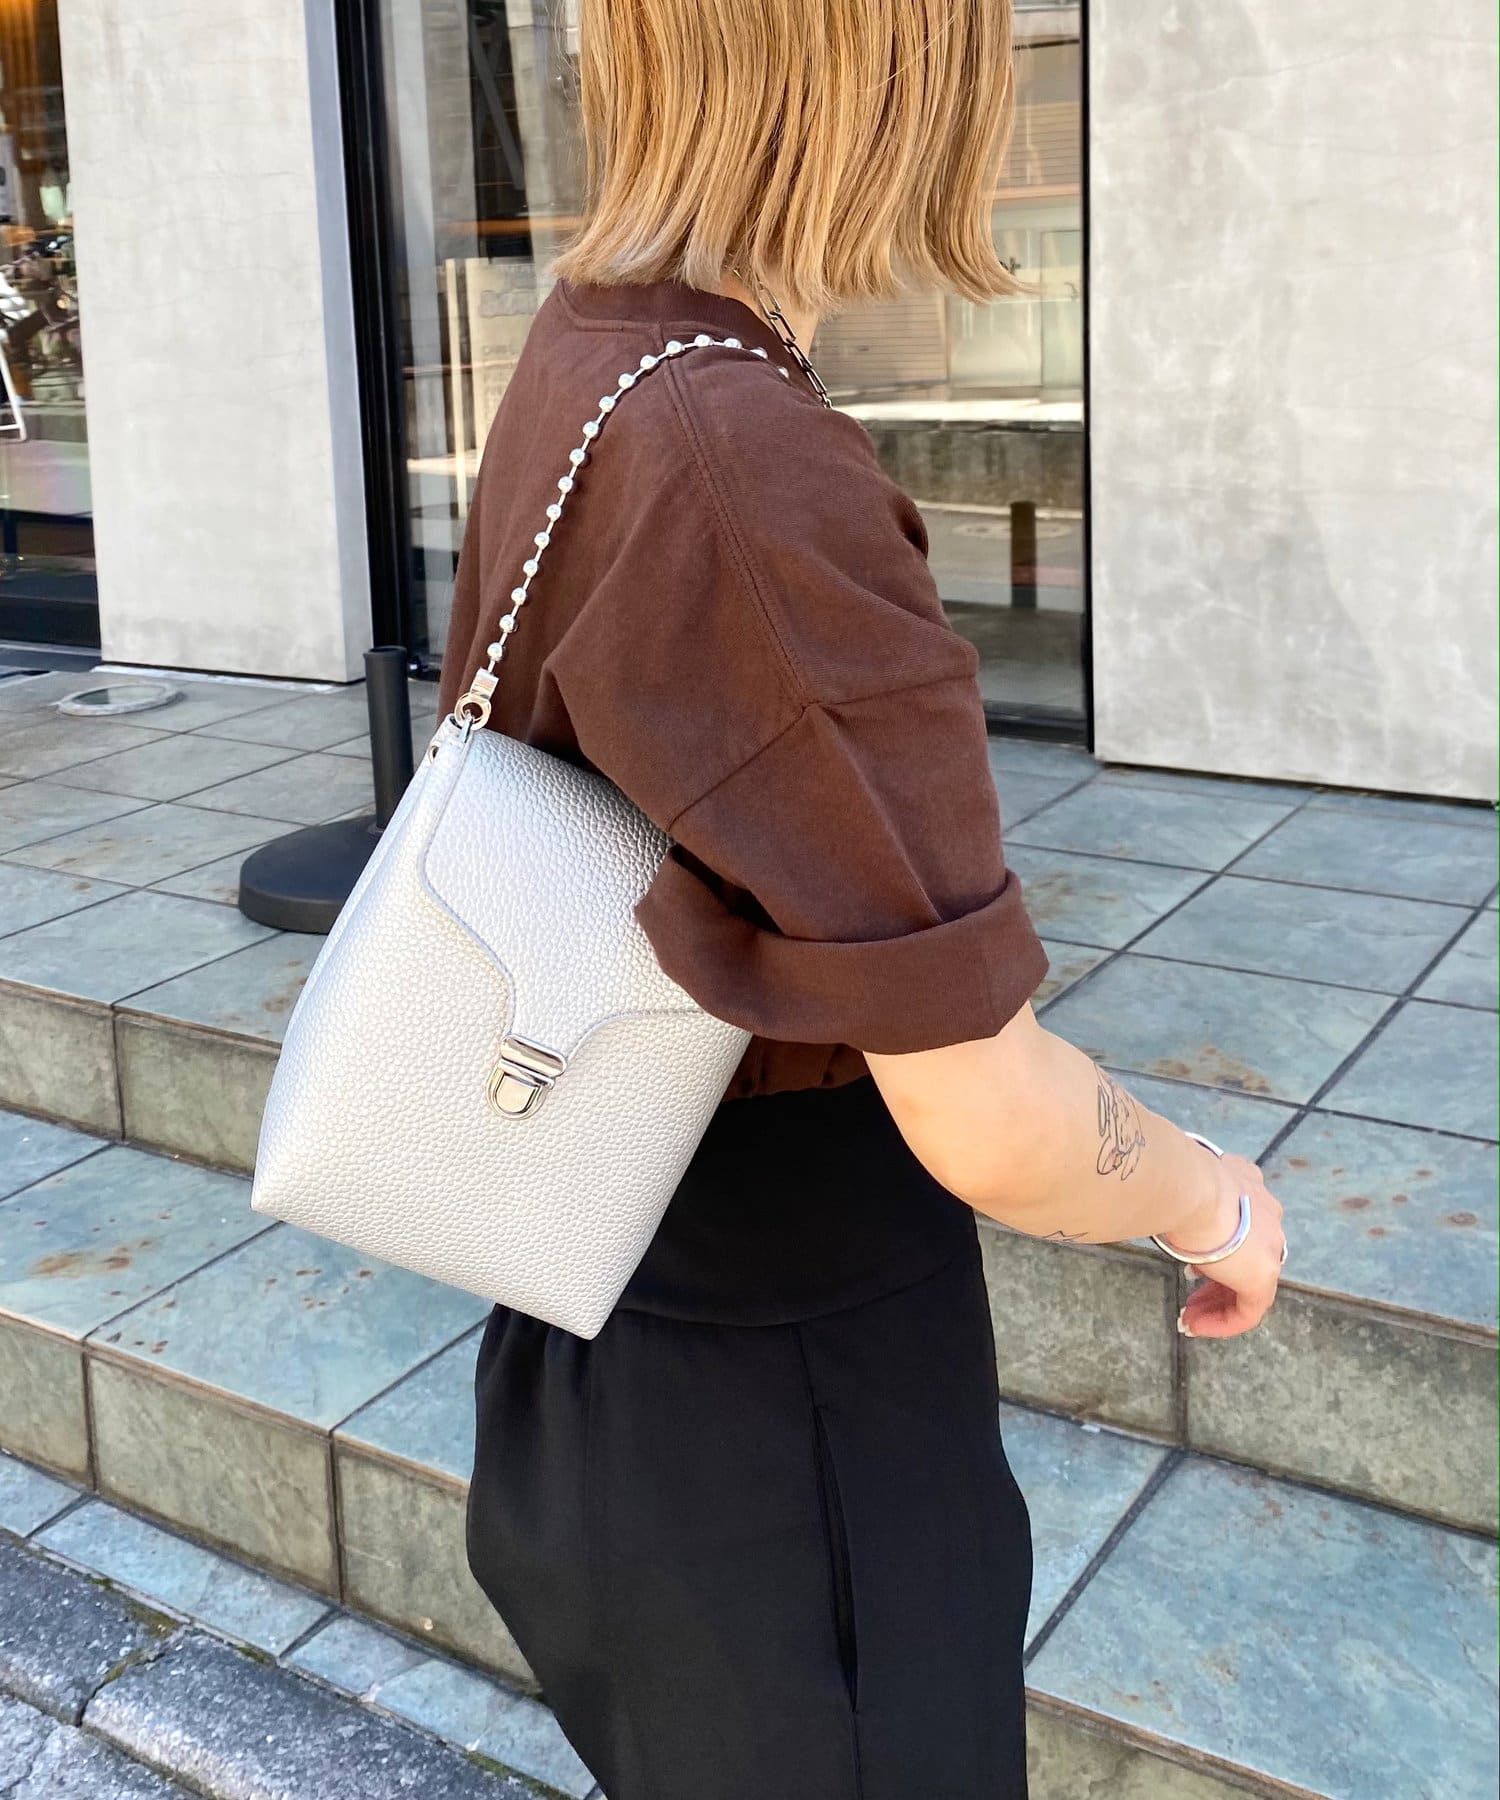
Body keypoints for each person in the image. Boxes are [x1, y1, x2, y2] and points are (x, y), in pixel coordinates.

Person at [439, 3, 1286, 1794]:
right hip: (785, 1410)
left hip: (617, 1302)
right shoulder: (739, 461)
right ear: (903, 60)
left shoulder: (595, 347)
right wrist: (1212, 1201)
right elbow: (993, 1118)